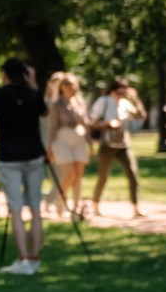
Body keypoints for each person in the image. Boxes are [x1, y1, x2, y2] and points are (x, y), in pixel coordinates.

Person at [0, 60, 47, 274]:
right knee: (35, 208)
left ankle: (23, 259)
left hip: (9, 155)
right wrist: (32, 83)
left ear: (5, 74)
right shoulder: (33, 94)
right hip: (34, 153)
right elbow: (43, 112)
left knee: (16, 208)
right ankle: (34, 257)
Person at [89, 77, 146, 217]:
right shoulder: (103, 102)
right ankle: (95, 206)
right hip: (107, 144)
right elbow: (93, 123)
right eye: (118, 92)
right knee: (103, 176)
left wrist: (135, 99)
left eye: (123, 93)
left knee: (132, 174)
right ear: (112, 91)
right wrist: (108, 123)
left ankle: (136, 207)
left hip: (123, 144)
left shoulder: (126, 103)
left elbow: (141, 115)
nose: (120, 95)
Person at [45, 71, 89, 218]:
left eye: (71, 84)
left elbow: (85, 122)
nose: (69, 87)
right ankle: (60, 200)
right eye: (66, 84)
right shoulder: (57, 104)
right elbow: (53, 127)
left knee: (78, 175)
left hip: (79, 138)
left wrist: (90, 141)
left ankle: (76, 208)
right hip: (62, 139)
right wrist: (50, 146)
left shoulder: (80, 102)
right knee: (69, 173)